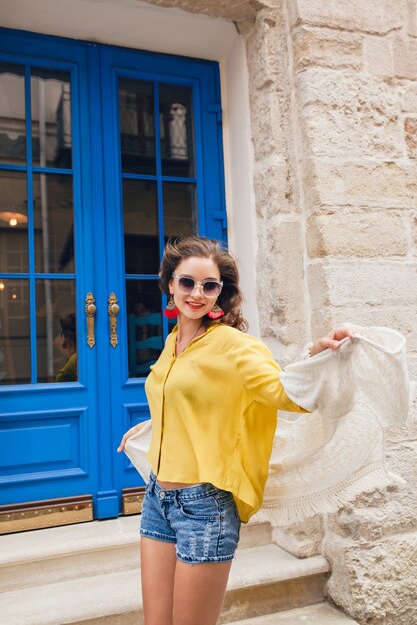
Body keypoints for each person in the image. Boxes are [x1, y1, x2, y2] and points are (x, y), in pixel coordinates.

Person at [117, 236, 352, 625]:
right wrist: (153, 425)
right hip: (158, 500)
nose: (197, 293)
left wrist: (319, 354)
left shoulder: (235, 346)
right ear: (170, 284)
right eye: (187, 282)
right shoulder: (174, 341)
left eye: (209, 286)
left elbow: (284, 390)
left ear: (220, 293)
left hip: (204, 509)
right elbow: (185, 395)